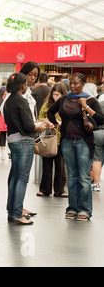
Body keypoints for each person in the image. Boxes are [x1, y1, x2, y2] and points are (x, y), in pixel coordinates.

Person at [48, 73, 104, 221]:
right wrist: (55, 124)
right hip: (67, 142)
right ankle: (72, 208)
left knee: (84, 177)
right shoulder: (63, 100)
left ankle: (85, 210)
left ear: (83, 84)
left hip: (84, 142)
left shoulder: (90, 100)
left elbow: (101, 119)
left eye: (76, 83)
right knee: (72, 177)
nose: (72, 86)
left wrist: (85, 106)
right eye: (71, 83)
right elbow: (50, 111)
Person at [4, 73, 52, 225]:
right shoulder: (21, 101)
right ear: (23, 85)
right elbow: (29, 126)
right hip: (24, 142)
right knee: (22, 179)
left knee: (14, 177)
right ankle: (17, 213)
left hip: (12, 140)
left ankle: (12, 211)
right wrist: (41, 126)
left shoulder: (8, 101)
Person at [37, 83, 68, 197]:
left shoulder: (67, 105)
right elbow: (40, 119)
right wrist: (47, 122)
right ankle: (45, 189)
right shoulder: (46, 105)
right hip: (49, 138)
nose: (56, 97)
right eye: (54, 94)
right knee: (46, 164)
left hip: (62, 139)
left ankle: (60, 190)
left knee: (60, 166)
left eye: (58, 95)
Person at [0, 86, 8, 160]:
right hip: (2, 120)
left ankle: (9, 153)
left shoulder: (8, 99)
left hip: (7, 120)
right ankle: (3, 154)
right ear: (4, 92)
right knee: (2, 138)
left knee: (10, 137)